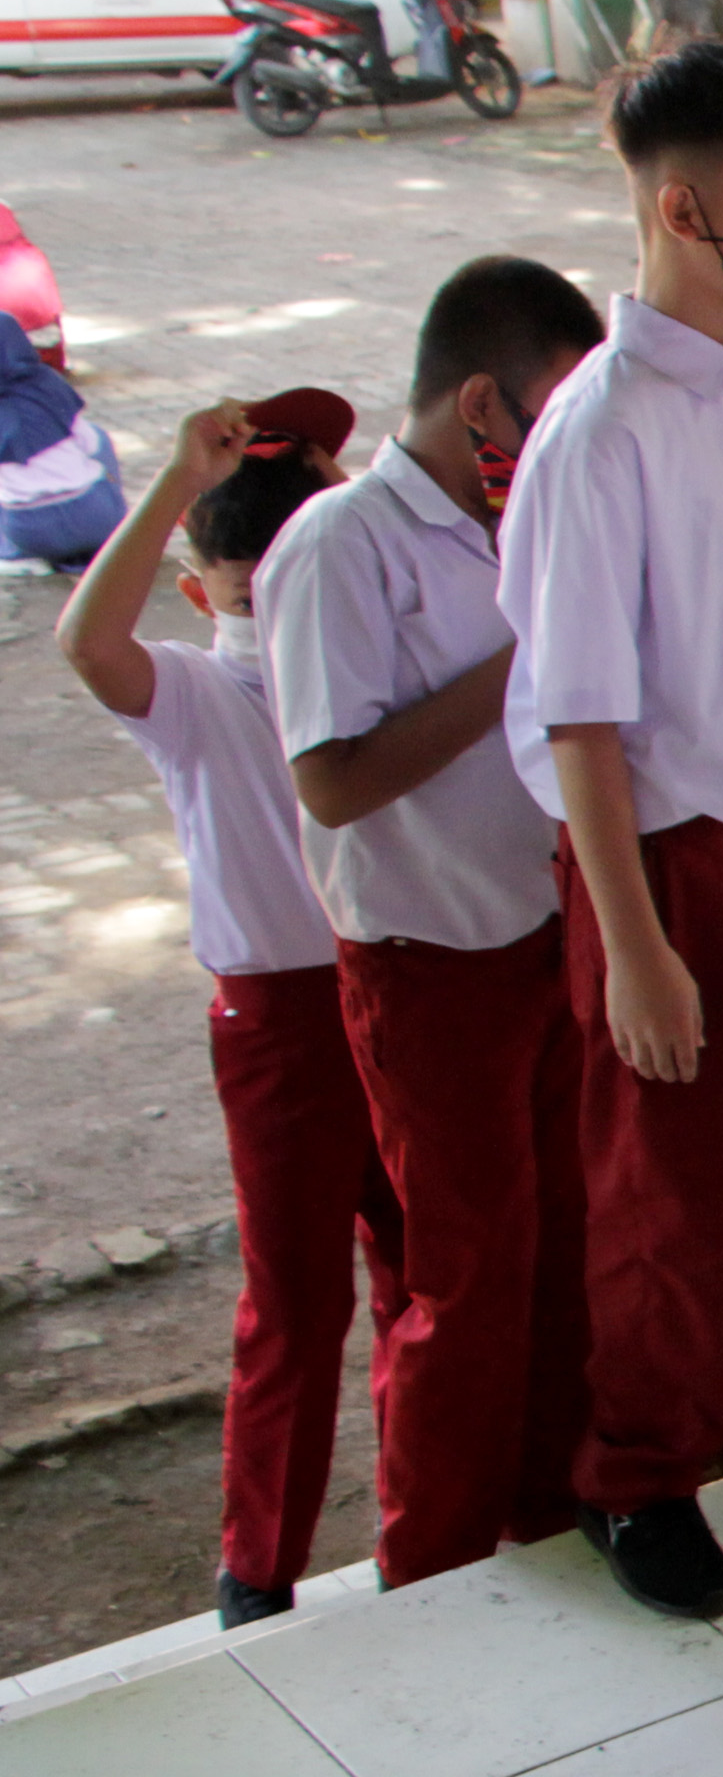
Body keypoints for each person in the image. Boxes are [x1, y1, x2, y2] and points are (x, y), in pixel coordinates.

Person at [498, 39, 723, 1625]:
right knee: (661, 1186)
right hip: (664, 861)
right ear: (679, 208)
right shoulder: (597, 433)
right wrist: (637, 948)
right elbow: (577, 715)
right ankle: (638, 1471)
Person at [260, 255, 606, 1589]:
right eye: (547, 412)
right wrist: (531, 658)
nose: (559, 447)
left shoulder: (518, 521)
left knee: (564, 1252)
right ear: (478, 404)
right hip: (424, 962)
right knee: (465, 1275)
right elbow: (332, 781)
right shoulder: (338, 544)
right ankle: (434, 1562)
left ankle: (548, 1515)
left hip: (542, 930)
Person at [56, 393, 399, 1628]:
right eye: (254, 586)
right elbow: (88, 641)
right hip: (284, 1025)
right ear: (202, 595)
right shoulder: (198, 695)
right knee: (301, 1300)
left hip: (400, 987)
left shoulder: (371, 670)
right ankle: (260, 1565)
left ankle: (423, 1526)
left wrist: (328, 502)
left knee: (424, 1276)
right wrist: (173, 484)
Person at [0, 316, 124, 571]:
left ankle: (19, 556)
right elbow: (91, 445)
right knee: (98, 437)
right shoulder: (46, 383)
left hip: (28, 533)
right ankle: (119, 535)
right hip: (96, 518)